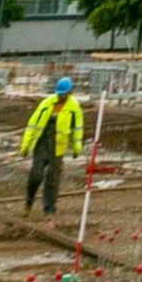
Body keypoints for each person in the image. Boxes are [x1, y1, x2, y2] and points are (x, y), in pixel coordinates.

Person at [19, 77, 88, 215]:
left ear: (69, 92)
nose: (60, 96)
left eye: (63, 93)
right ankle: (28, 202)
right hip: (41, 144)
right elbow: (32, 124)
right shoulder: (47, 103)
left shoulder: (74, 107)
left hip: (57, 148)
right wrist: (25, 145)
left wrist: (76, 147)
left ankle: (49, 208)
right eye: (59, 93)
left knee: (52, 179)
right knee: (36, 175)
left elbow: (77, 129)